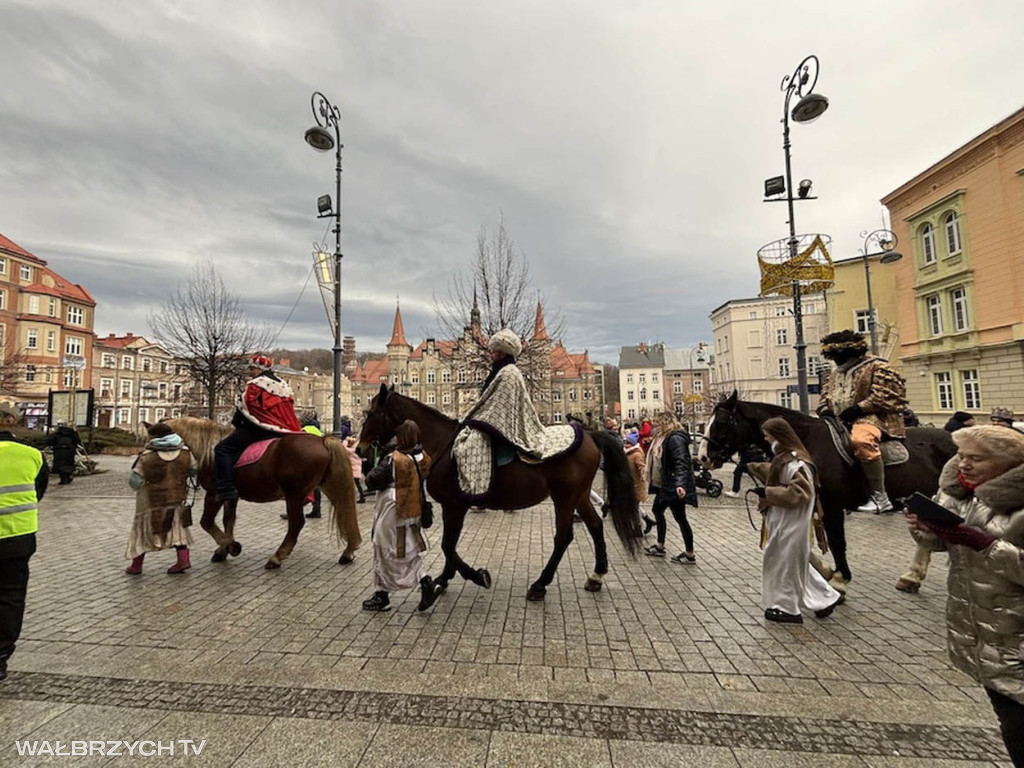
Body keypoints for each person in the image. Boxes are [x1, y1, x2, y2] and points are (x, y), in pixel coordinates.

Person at [905, 425, 1024, 765]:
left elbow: (980, 544)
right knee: (1008, 716)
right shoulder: (961, 493)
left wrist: (983, 543)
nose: (963, 465)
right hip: (987, 629)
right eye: (961, 457)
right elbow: (947, 544)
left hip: (1015, 629)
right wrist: (924, 532)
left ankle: (878, 492)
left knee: (863, 441)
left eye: (976, 458)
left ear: (1008, 464)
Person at [749, 418, 843, 624]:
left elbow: (800, 494)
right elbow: (777, 473)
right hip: (783, 521)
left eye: (768, 435)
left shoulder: (797, 462)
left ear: (778, 436)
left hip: (792, 523)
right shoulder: (786, 458)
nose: (766, 439)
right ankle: (825, 598)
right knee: (793, 563)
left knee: (785, 563)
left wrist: (767, 492)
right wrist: (751, 465)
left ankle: (788, 609)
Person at [817, 329, 907, 514]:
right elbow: (825, 395)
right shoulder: (836, 372)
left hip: (873, 418)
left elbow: (887, 395)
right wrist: (825, 410)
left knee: (862, 441)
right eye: (833, 358)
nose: (836, 362)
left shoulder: (878, 366)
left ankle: (881, 497)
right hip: (839, 419)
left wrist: (860, 408)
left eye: (839, 357)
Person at [362, 421, 436, 613]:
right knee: (408, 549)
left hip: (392, 508)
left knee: (384, 548)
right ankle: (425, 581)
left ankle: (382, 595)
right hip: (413, 508)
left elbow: (372, 480)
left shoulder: (394, 459)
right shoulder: (423, 456)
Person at [214, 355, 302, 501]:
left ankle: (225, 487)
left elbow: (247, 409)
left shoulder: (255, 385)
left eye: (252, 369)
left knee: (222, 449)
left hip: (259, 428)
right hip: (282, 428)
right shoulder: (283, 385)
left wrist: (237, 424)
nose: (250, 372)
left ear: (258, 369)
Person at [0, 427, 48, 681]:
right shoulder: (32, 455)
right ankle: (1, 656)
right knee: (11, 596)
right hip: (19, 536)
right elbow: (39, 491)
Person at [124, 423, 194, 575]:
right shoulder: (185, 452)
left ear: (153, 437)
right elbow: (194, 470)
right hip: (176, 497)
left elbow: (135, 481)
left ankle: (136, 566)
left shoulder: (147, 456)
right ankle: (183, 560)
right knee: (177, 528)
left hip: (150, 500)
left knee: (144, 529)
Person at [643, 412, 697, 562]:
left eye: (658, 422)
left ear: (665, 422)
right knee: (658, 510)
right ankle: (660, 546)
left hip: (672, 484)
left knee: (680, 518)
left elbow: (681, 462)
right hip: (664, 483)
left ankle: (689, 553)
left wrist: (680, 484)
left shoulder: (675, 439)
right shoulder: (663, 437)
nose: (655, 425)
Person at [624, 432, 655, 534]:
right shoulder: (627, 453)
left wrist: (642, 474)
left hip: (636, 485)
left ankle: (638, 529)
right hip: (630, 485)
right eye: (625, 442)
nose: (625, 445)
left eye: (628, 443)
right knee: (633, 506)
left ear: (633, 444)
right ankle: (647, 520)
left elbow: (642, 466)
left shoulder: (636, 454)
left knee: (633, 508)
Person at [302, 411, 324, 518]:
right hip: (319, 461)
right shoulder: (317, 430)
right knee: (317, 487)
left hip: (308, 461)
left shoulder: (304, 430)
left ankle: (293, 511)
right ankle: (317, 509)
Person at [344, 436, 368, 504]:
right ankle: (362, 496)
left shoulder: (352, 450)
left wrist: (345, 440)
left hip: (353, 471)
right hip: (356, 470)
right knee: (357, 484)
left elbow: (343, 448)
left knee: (351, 485)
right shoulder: (357, 450)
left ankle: (357, 497)